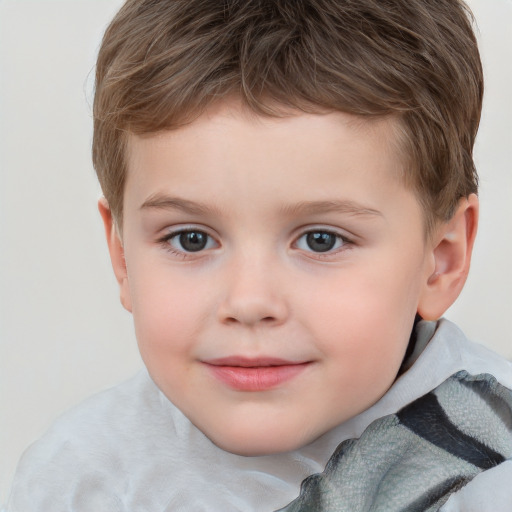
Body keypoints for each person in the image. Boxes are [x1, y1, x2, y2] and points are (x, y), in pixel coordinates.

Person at [5, 0, 512, 510]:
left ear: (441, 259)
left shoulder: (494, 477)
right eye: (191, 239)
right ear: (123, 257)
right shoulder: (75, 482)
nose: (249, 302)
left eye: (321, 240)